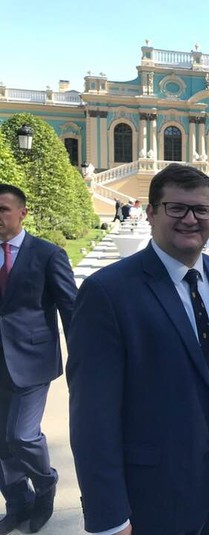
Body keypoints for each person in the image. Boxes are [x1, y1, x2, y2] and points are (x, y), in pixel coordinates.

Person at [67, 164, 209, 534]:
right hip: (148, 488)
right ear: (150, 213)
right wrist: (110, 517)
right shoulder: (108, 292)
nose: (190, 219)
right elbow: (92, 417)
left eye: (202, 209)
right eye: (176, 208)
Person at [0, 184, 76, 534]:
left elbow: (70, 308)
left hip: (32, 361)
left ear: (22, 213)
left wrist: (82, 361)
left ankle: (45, 485)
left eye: (3, 209)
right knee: (2, 443)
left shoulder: (47, 254)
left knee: (21, 436)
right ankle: (18, 504)